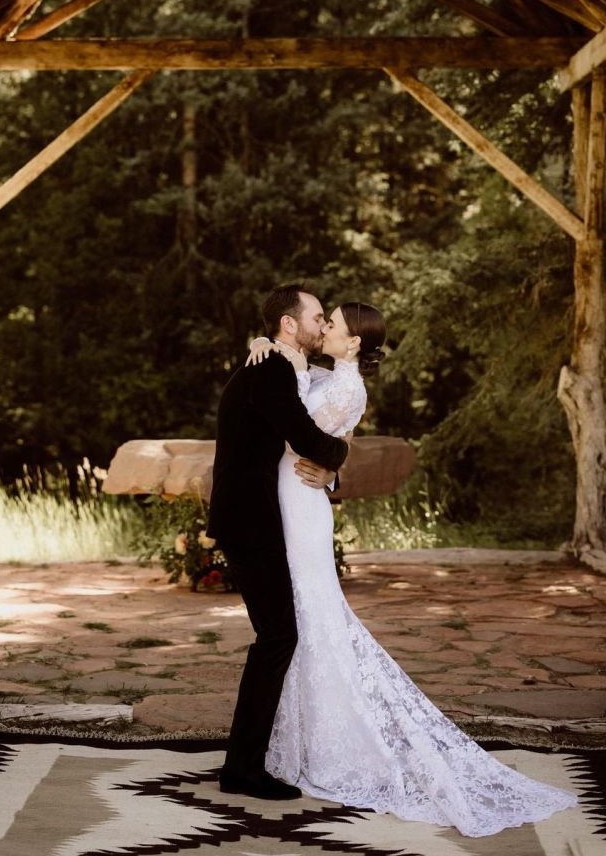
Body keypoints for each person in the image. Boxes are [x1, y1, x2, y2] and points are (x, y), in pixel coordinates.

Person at [244, 299, 579, 838]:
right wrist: (263, 345)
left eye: (333, 323)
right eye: (321, 318)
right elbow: (291, 399)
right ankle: (297, 739)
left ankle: (336, 746)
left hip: (300, 502)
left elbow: (299, 434)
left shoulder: (349, 387)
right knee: (296, 622)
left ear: (353, 343)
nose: (325, 325)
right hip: (287, 495)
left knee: (314, 615)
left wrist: (333, 465)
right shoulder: (321, 371)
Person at [206, 284, 349, 801]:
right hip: (250, 522)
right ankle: (243, 769)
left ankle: (246, 761)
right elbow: (306, 437)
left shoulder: (275, 366)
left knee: (276, 638)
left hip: (251, 519)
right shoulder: (268, 371)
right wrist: (341, 454)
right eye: (314, 317)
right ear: (289, 325)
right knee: (277, 639)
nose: (319, 325)